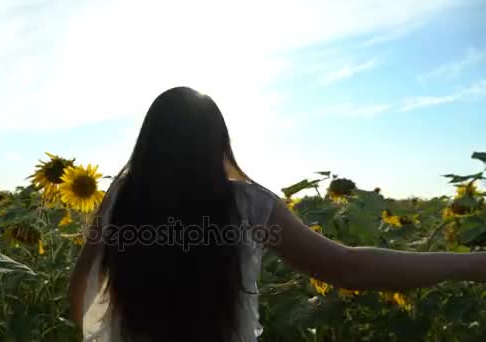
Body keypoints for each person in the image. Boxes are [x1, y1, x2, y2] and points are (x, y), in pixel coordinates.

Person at [69, 87, 485, 342]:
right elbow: (348, 267)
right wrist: (468, 263)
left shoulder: (123, 197)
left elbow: (81, 283)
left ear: (150, 142)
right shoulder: (249, 206)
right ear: (217, 143)